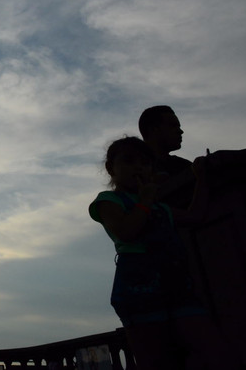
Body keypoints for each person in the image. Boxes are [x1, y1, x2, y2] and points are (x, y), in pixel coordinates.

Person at [89, 136, 226, 369]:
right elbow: (126, 231)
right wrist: (145, 201)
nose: (138, 167)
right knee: (155, 358)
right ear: (111, 168)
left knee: (210, 349)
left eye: (144, 163)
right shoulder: (108, 201)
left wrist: (201, 179)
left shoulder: (159, 207)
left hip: (176, 283)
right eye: (129, 161)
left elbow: (195, 216)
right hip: (139, 287)